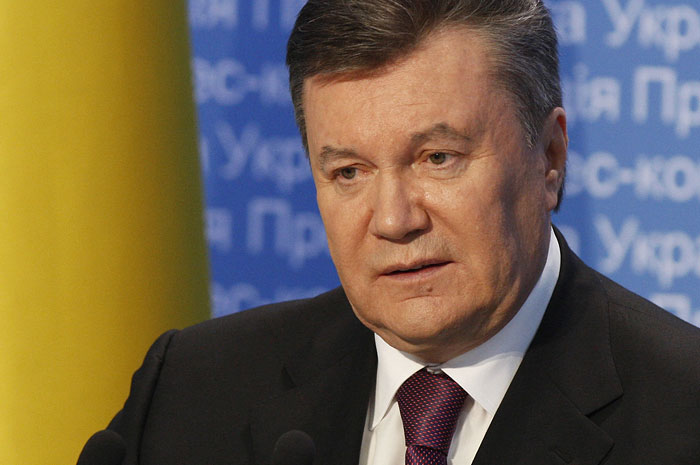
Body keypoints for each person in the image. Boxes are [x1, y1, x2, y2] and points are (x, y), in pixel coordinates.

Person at [79, 1, 700, 464]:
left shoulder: (682, 414)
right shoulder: (192, 390)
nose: (395, 221)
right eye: (349, 172)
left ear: (550, 158)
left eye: (438, 158)